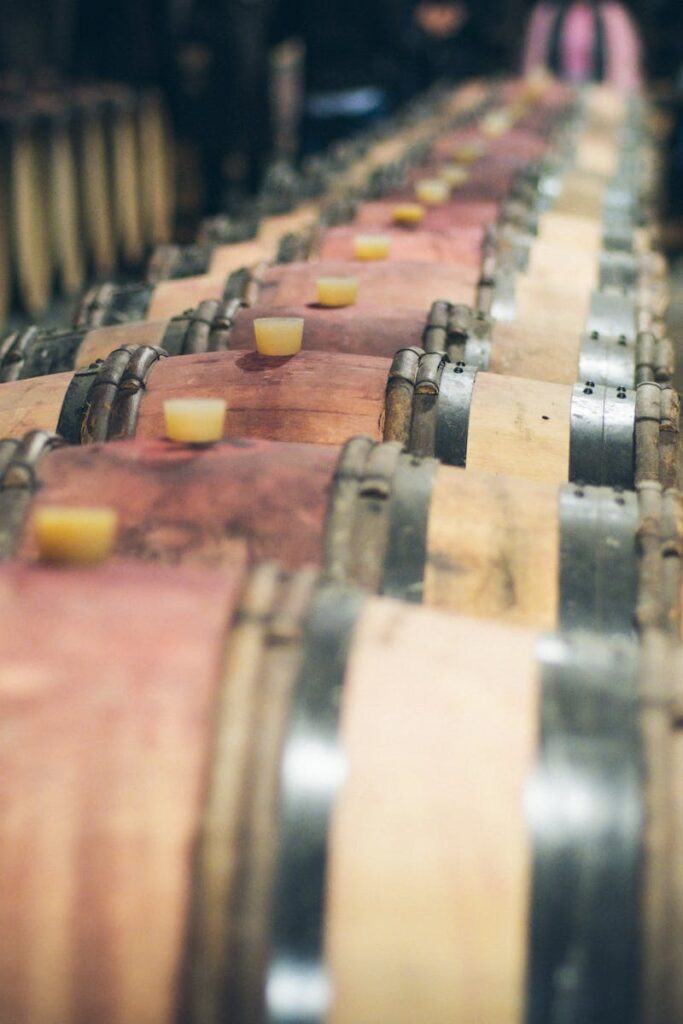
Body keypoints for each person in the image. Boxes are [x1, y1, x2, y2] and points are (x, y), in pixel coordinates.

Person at [522, 0, 643, 91]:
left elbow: (625, 71)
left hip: (597, 100)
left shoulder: (613, 13)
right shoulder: (547, 12)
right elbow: (532, 66)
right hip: (554, 98)